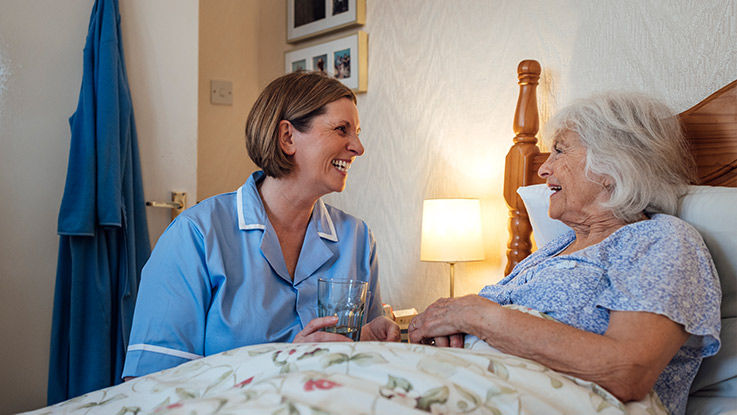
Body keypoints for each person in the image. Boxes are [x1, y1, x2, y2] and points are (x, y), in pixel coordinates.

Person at [408, 92, 721, 415]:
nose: (543, 169)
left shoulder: (661, 240)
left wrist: (477, 316)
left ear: (613, 165)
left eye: (559, 150)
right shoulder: (553, 249)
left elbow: (628, 371)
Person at [123, 71, 400, 379]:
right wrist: (285, 363)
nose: (358, 147)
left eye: (357, 132)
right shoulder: (195, 236)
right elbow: (151, 385)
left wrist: (377, 340)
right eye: (341, 130)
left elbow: (363, 370)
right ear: (287, 137)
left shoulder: (358, 240)